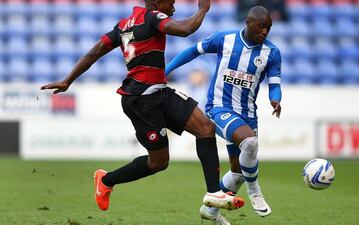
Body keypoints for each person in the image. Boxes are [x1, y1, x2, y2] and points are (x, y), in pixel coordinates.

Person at [40, 0, 245, 213]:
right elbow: (186, 29)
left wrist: (68, 80)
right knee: (158, 162)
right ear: (158, 3)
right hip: (141, 100)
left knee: (205, 127)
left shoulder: (123, 25)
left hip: (159, 92)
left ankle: (213, 192)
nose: (173, 6)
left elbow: (95, 52)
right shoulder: (153, 17)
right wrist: (203, 9)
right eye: (171, 2)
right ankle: (106, 180)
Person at [166, 6, 282, 224]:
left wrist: (276, 98)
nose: (265, 32)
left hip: (247, 114)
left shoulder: (272, 53)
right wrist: (166, 70)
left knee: (237, 173)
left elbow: (275, 84)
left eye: (268, 28)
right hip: (219, 107)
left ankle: (209, 211)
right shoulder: (224, 39)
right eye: (261, 27)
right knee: (250, 142)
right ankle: (255, 191)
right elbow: (193, 51)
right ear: (248, 22)